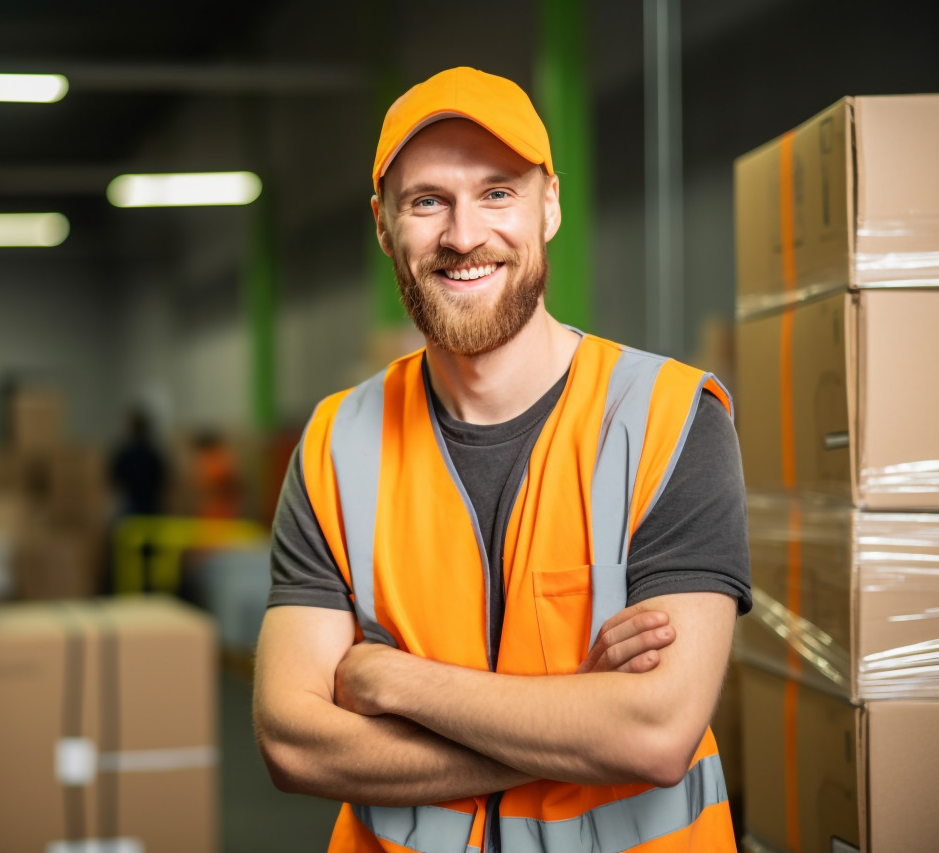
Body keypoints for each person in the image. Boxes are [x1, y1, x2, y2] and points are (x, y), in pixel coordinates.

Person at [253, 66, 751, 852]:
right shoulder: (335, 444)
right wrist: (577, 717)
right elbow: (293, 740)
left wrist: (396, 682)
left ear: (549, 205)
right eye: (426, 201)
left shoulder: (668, 420)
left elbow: (655, 734)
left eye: (497, 192)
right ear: (384, 227)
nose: (462, 235)